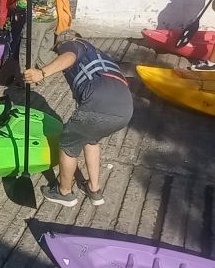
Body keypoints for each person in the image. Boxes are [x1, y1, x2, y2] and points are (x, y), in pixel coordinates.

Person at [23, 30, 133, 207]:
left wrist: (41, 73)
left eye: (57, 48)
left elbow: (69, 55)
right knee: (91, 139)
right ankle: (94, 190)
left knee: (67, 144)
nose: (58, 51)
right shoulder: (98, 54)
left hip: (99, 102)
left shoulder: (73, 43)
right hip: (126, 109)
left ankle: (64, 192)